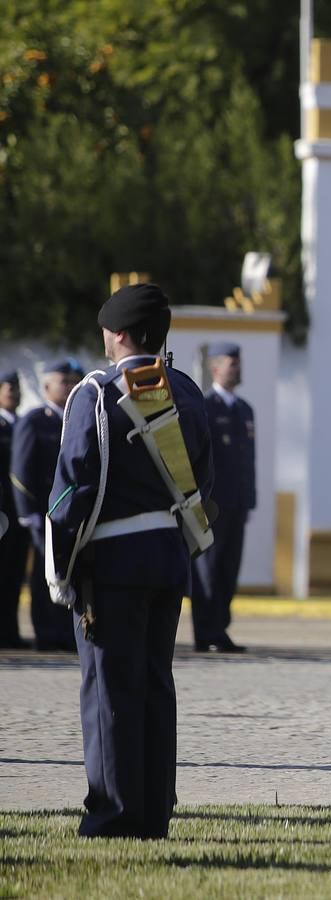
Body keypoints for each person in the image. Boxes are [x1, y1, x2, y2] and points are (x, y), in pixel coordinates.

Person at [45, 283, 213, 837]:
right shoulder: (186, 392)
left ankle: (114, 813)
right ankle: (154, 810)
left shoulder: (95, 395)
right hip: (167, 558)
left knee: (110, 690)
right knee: (154, 684)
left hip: (111, 563)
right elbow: (201, 482)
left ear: (117, 335)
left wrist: (61, 566)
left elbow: (73, 491)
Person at [10, 358, 83, 651]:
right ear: (46, 387)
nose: (68, 387)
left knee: (69, 572)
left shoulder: (75, 419)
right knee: (45, 574)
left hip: (70, 512)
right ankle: (46, 634)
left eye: (70, 381)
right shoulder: (35, 420)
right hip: (44, 512)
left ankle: (65, 633)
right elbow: (21, 470)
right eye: (62, 382)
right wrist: (27, 512)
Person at [191, 341, 254, 652]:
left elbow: (248, 459)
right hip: (211, 505)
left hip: (238, 503)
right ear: (215, 368)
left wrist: (249, 498)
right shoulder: (206, 406)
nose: (237, 369)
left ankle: (221, 629)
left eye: (238, 363)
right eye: (232, 363)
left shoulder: (244, 410)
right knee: (208, 570)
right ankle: (205, 632)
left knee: (229, 570)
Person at [0, 369, 31, 648]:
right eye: (7, 386)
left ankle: (10, 633)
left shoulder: (23, 423)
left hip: (18, 513)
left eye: (16, 387)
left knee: (14, 574)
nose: (13, 391)